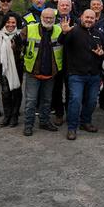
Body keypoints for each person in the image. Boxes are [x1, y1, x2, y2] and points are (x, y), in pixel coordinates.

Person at [59, 10, 104, 140]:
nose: (89, 20)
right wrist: (64, 32)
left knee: (91, 101)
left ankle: (85, 122)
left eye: (92, 18)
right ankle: (72, 128)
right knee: (75, 100)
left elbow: (103, 52)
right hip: (76, 74)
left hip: (94, 75)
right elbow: (62, 41)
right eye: (87, 17)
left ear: (95, 20)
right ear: (81, 17)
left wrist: (101, 54)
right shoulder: (73, 31)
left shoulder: (98, 34)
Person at [21, 8, 63, 136]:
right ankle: (28, 125)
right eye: (46, 17)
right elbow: (18, 45)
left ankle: (44, 122)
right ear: (41, 18)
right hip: (33, 71)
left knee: (46, 100)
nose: (48, 20)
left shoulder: (60, 30)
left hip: (50, 72)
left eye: (51, 18)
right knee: (31, 100)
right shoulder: (29, 29)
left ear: (54, 19)